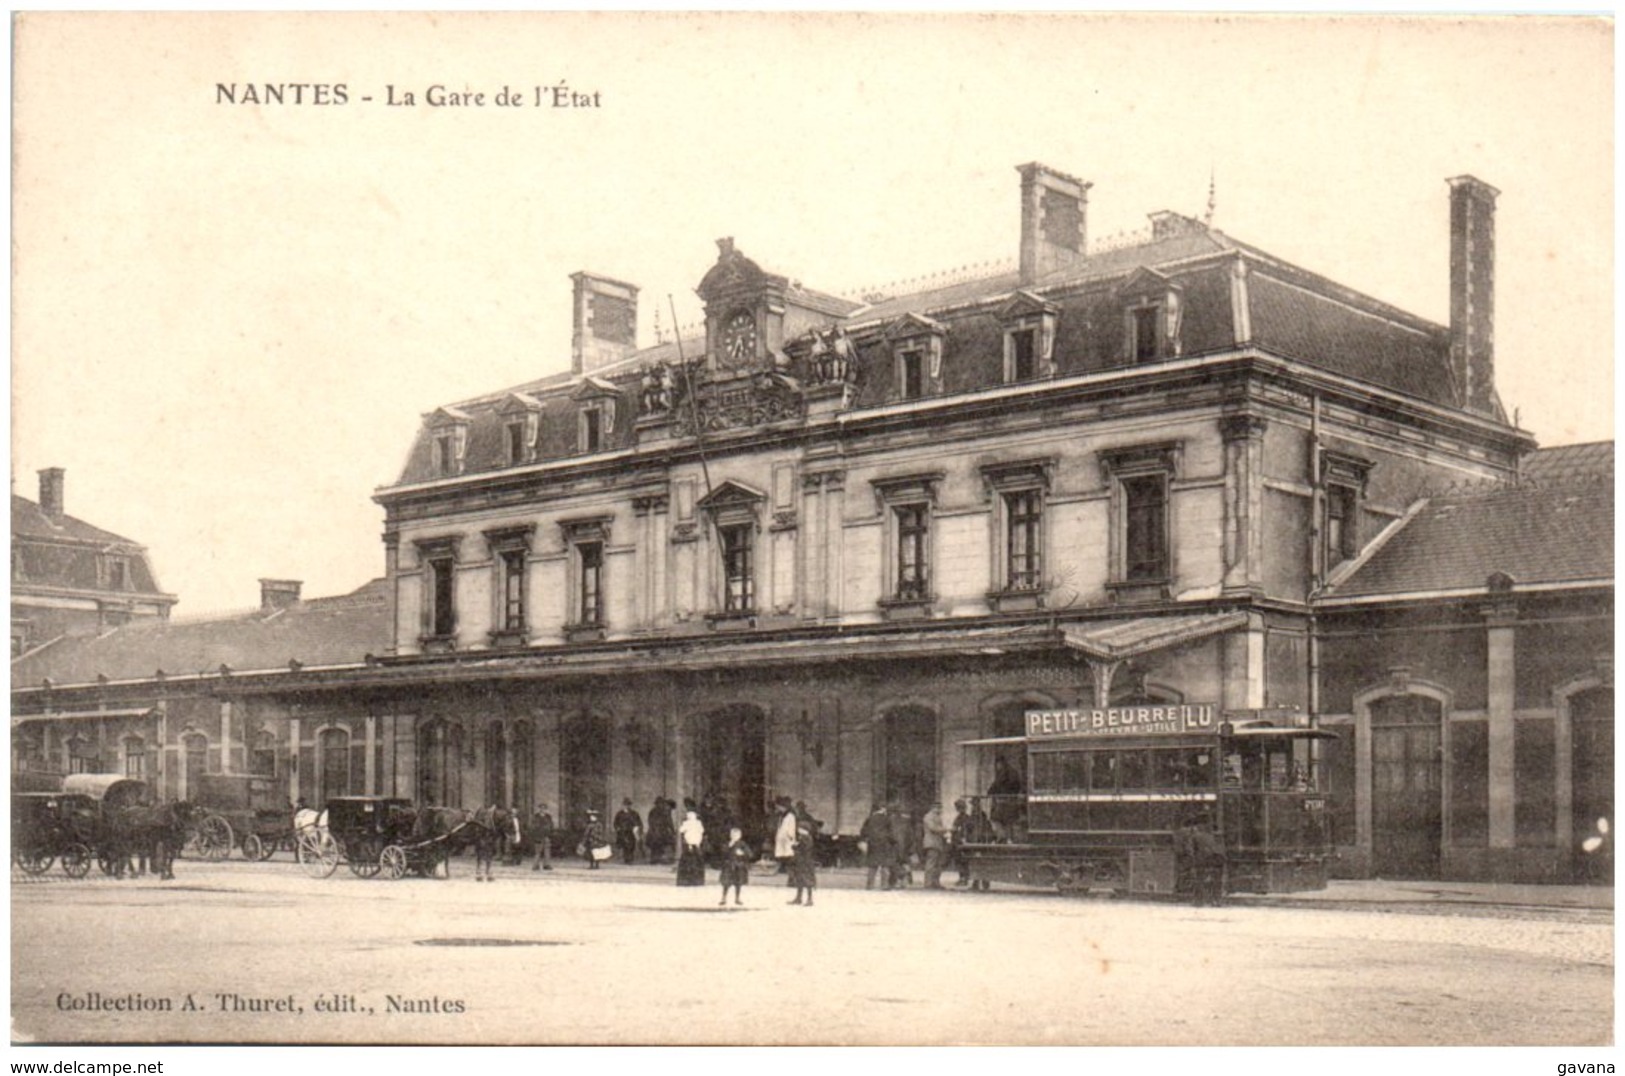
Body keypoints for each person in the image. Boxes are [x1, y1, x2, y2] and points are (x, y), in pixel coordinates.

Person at [859, 803, 895, 890]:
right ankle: (884, 885)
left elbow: (863, 832)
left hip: (873, 844)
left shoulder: (869, 819)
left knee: (872, 866)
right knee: (885, 865)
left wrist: (865, 840)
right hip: (885, 844)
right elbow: (891, 833)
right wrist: (893, 842)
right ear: (882, 809)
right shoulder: (887, 819)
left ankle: (870, 885)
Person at [788, 809, 818, 906]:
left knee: (807, 880)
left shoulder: (806, 838)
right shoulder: (803, 838)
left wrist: (795, 846)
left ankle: (809, 899)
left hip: (805, 862)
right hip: (801, 861)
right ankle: (799, 897)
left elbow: (802, 848)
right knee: (800, 879)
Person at [718, 826, 752, 906]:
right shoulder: (728, 843)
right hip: (729, 866)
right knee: (726, 883)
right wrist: (729, 846)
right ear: (730, 835)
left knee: (738, 883)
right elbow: (722, 852)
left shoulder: (742, 844)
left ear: (740, 836)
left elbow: (750, 854)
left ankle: (737, 898)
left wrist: (742, 853)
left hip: (739, 866)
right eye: (733, 835)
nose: (734, 837)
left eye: (736, 835)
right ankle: (724, 898)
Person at [920, 803, 949, 889]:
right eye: (939, 808)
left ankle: (935, 882)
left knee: (937, 864)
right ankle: (928, 883)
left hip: (937, 843)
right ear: (934, 808)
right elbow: (933, 828)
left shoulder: (936, 816)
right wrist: (946, 829)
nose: (941, 810)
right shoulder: (928, 817)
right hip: (931, 843)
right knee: (931, 864)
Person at [676, 809, 706, 886]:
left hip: (694, 844)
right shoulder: (693, 823)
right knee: (692, 861)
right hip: (691, 844)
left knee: (692, 861)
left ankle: (692, 880)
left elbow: (681, 830)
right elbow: (681, 830)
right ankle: (692, 880)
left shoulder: (694, 823)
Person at [949, 799, 973, 887]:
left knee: (961, 861)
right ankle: (963, 878)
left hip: (960, 843)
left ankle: (963, 878)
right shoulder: (964, 817)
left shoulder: (962, 818)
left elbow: (960, 830)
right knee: (961, 861)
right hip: (959, 842)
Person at [645, 797, 675, 865]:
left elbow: (668, 822)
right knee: (657, 845)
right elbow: (651, 821)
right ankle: (655, 859)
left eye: (662, 803)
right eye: (660, 803)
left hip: (658, 831)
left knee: (659, 846)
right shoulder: (658, 812)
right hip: (657, 831)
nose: (661, 805)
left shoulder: (660, 811)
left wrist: (671, 830)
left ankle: (656, 859)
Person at [772, 796, 798, 875]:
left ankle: (787, 868)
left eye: (779, 807)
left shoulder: (791, 816)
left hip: (787, 837)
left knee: (787, 852)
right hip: (781, 836)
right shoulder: (781, 816)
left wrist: (790, 836)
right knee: (781, 852)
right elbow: (779, 826)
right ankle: (782, 867)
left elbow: (791, 827)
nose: (778, 809)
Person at [613, 798, 643, 865]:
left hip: (631, 832)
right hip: (623, 832)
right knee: (625, 846)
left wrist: (637, 828)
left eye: (628, 805)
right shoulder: (619, 814)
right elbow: (615, 823)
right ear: (623, 805)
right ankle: (626, 858)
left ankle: (631, 859)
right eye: (625, 805)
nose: (627, 806)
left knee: (632, 845)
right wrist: (617, 828)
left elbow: (638, 822)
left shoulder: (634, 813)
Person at [529, 802, 554, 871]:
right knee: (538, 851)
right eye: (541, 808)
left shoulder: (548, 817)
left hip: (546, 836)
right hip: (538, 836)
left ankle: (546, 864)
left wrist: (550, 833)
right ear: (539, 809)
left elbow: (551, 826)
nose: (543, 810)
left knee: (547, 851)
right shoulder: (536, 817)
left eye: (544, 808)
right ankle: (535, 865)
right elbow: (533, 827)